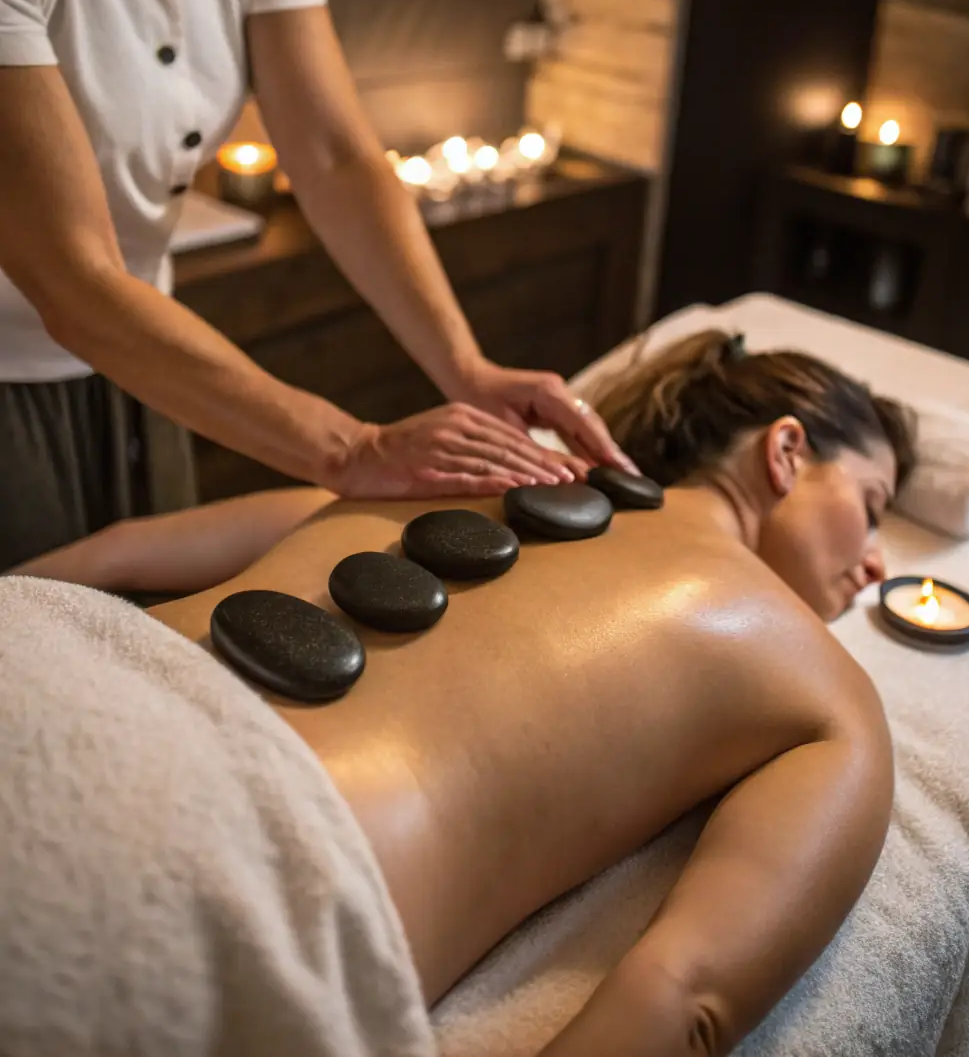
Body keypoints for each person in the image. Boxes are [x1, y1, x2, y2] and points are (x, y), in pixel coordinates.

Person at [8, 331, 916, 1054]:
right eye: (874, 504)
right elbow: (682, 1003)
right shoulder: (827, 691)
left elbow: (116, 550)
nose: (876, 564)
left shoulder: (459, 463)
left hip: (49, 674)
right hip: (224, 864)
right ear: (787, 450)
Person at [0, 0, 630, 574]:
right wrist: (348, 450)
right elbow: (74, 279)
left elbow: (335, 158)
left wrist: (465, 367)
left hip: (148, 367)